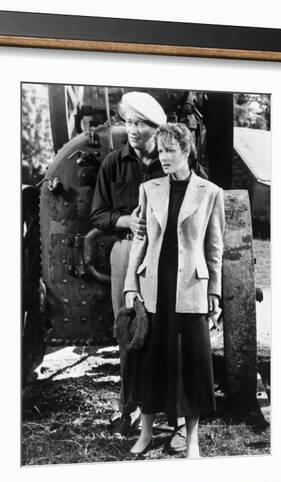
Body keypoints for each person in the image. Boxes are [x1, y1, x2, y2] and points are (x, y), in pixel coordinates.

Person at [123, 123, 225, 458]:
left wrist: (215, 292)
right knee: (150, 363)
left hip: (190, 288)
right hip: (154, 286)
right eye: (161, 150)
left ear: (186, 151)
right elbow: (140, 238)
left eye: (170, 150)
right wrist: (129, 286)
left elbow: (215, 248)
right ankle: (147, 433)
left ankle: (193, 440)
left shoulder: (210, 192)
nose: (163, 157)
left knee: (192, 366)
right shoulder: (149, 189)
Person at [91, 92, 186, 447]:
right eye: (127, 122)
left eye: (139, 123)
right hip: (127, 251)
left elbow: (202, 194)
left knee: (169, 332)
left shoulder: (170, 160)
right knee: (130, 332)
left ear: (155, 127)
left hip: (167, 254)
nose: (131, 130)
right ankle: (127, 408)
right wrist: (124, 219)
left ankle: (175, 417)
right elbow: (97, 214)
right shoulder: (114, 163)